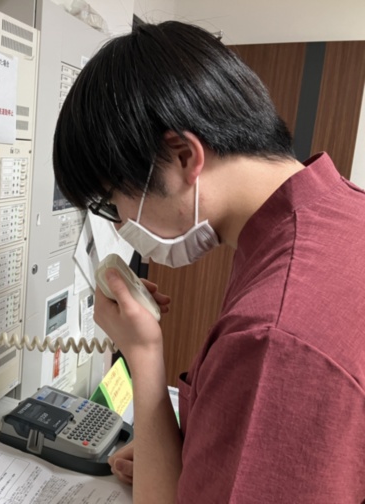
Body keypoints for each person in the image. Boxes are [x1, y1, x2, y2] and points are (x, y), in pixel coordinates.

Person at [52, 21, 365, 503]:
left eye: (113, 203)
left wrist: (143, 353)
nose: (118, 225)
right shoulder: (334, 214)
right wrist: (186, 451)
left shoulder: (273, 338)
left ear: (183, 156)